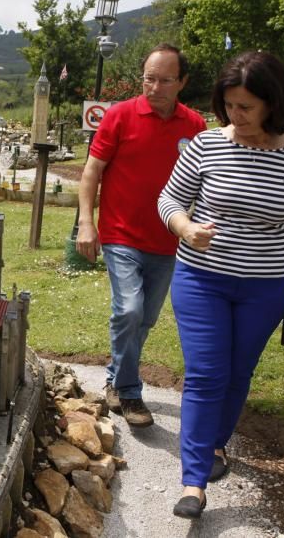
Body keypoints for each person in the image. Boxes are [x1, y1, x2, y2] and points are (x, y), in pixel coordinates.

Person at [157, 51, 284, 519]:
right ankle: (193, 482)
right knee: (207, 374)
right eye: (229, 105)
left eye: (247, 106)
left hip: (264, 287)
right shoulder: (206, 146)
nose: (236, 115)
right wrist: (185, 229)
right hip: (200, 279)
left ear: (273, 103)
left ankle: (215, 446)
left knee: (236, 374)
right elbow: (170, 199)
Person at [76, 43, 206, 427]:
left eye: (166, 80)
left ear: (182, 82)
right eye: (150, 78)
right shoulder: (119, 116)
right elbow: (91, 172)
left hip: (169, 241)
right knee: (129, 309)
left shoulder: (195, 126)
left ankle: (115, 380)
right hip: (121, 235)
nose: (156, 87)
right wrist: (87, 222)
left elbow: (206, 182)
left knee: (145, 319)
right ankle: (131, 395)